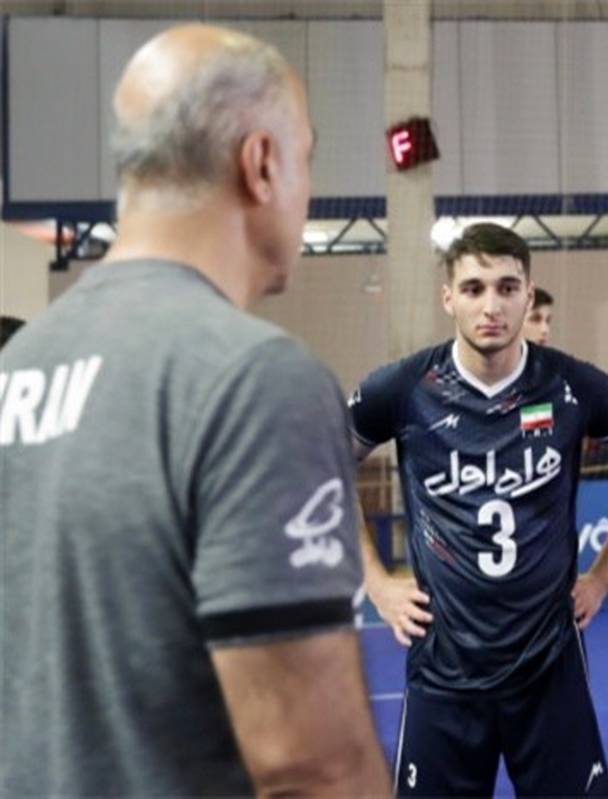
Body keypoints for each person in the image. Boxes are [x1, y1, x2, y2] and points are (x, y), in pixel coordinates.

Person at [0, 25, 389, 797]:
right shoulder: (255, 379)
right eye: (307, 158)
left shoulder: (19, 367)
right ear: (262, 162)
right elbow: (313, 764)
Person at [350, 222, 608, 797]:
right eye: (473, 289)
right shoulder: (404, 388)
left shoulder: (573, 385)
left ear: (528, 294)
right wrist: (375, 582)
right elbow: (321, 464)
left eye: (506, 287)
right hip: (445, 668)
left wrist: (602, 577)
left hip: (549, 666)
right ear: (448, 297)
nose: (491, 306)